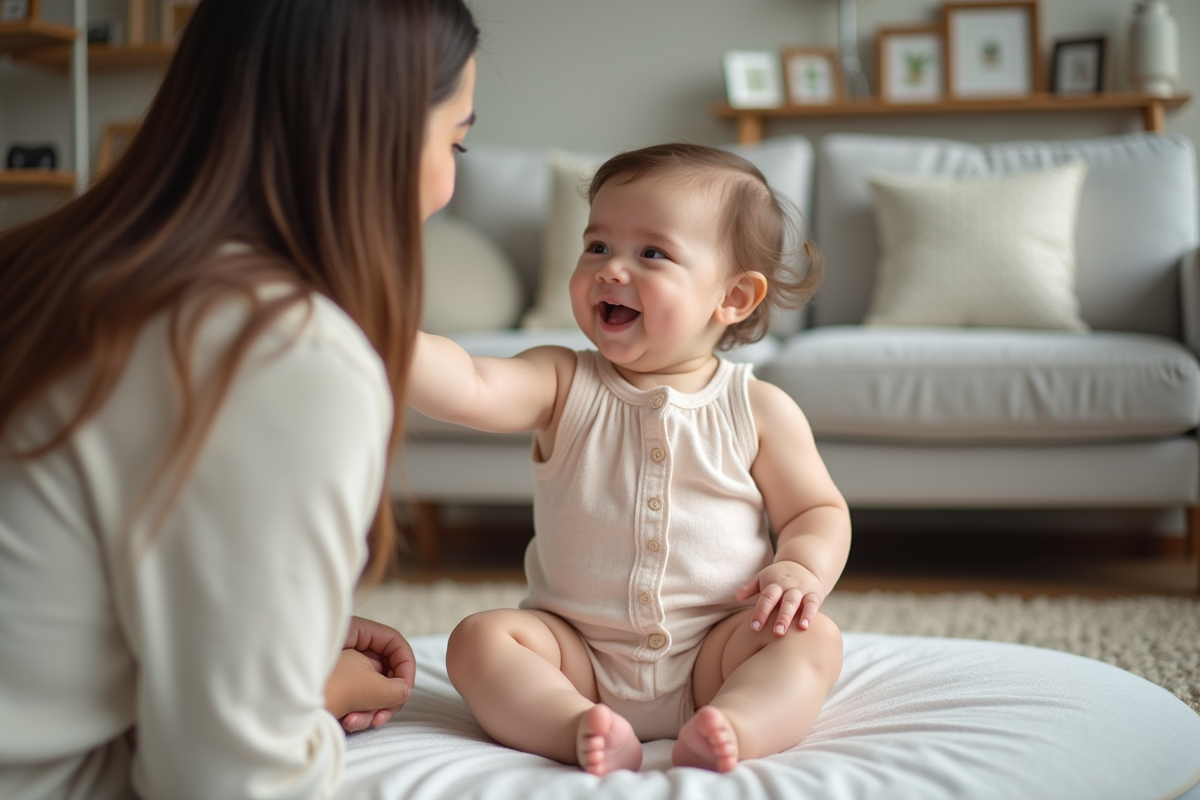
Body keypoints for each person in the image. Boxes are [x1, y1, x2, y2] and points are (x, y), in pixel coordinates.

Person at [0, 0, 478, 797]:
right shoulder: (284, 350)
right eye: (455, 140)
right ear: (381, 135)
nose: (449, 184)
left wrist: (282, 653)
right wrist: (303, 706)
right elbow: (231, 782)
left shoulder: (42, 268)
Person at [407, 143, 852, 775]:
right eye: (596, 247)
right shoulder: (562, 381)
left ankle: (735, 723)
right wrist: (385, 331)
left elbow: (816, 508)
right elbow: (471, 386)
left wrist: (802, 567)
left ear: (733, 297)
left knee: (814, 641)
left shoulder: (758, 408)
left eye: (651, 253)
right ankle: (572, 724)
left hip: (716, 654)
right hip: (577, 655)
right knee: (479, 639)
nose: (611, 269)